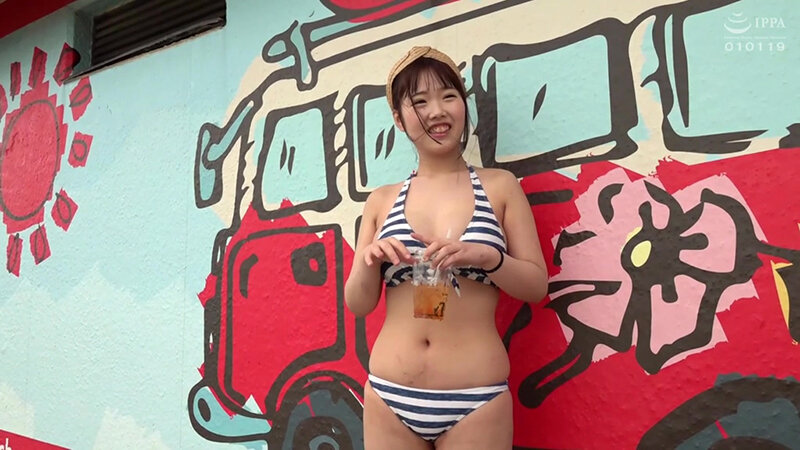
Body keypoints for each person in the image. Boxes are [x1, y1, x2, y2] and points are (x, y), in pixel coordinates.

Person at [344, 45, 548, 449]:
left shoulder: (500, 187)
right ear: (399, 119)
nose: (437, 111)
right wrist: (369, 260)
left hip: (476, 399)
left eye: (448, 96)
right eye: (419, 102)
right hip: (389, 395)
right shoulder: (381, 200)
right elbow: (358, 303)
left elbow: (536, 285)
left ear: (463, 104)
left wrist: (489, 258)